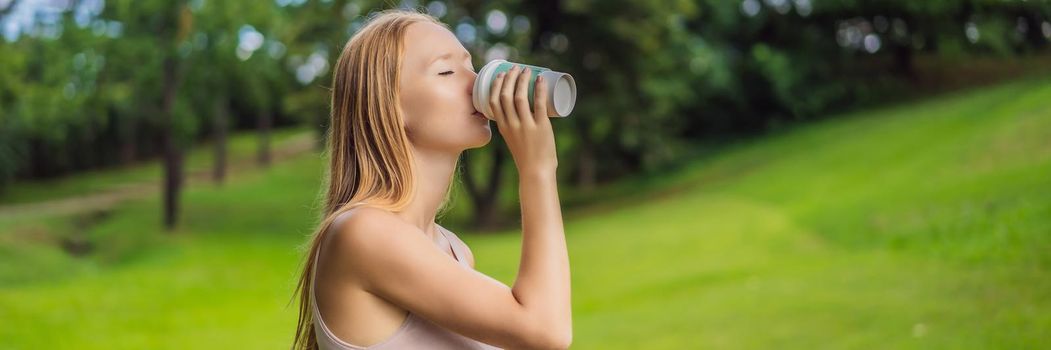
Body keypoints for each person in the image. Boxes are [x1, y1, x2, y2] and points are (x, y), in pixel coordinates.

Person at [290, 9, 572, 350]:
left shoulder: (451, 250)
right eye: (447, 71)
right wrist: (537, 170)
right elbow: (545, 330)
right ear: (390, 106)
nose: (475, 82)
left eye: (471, 66)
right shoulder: (363, 232)